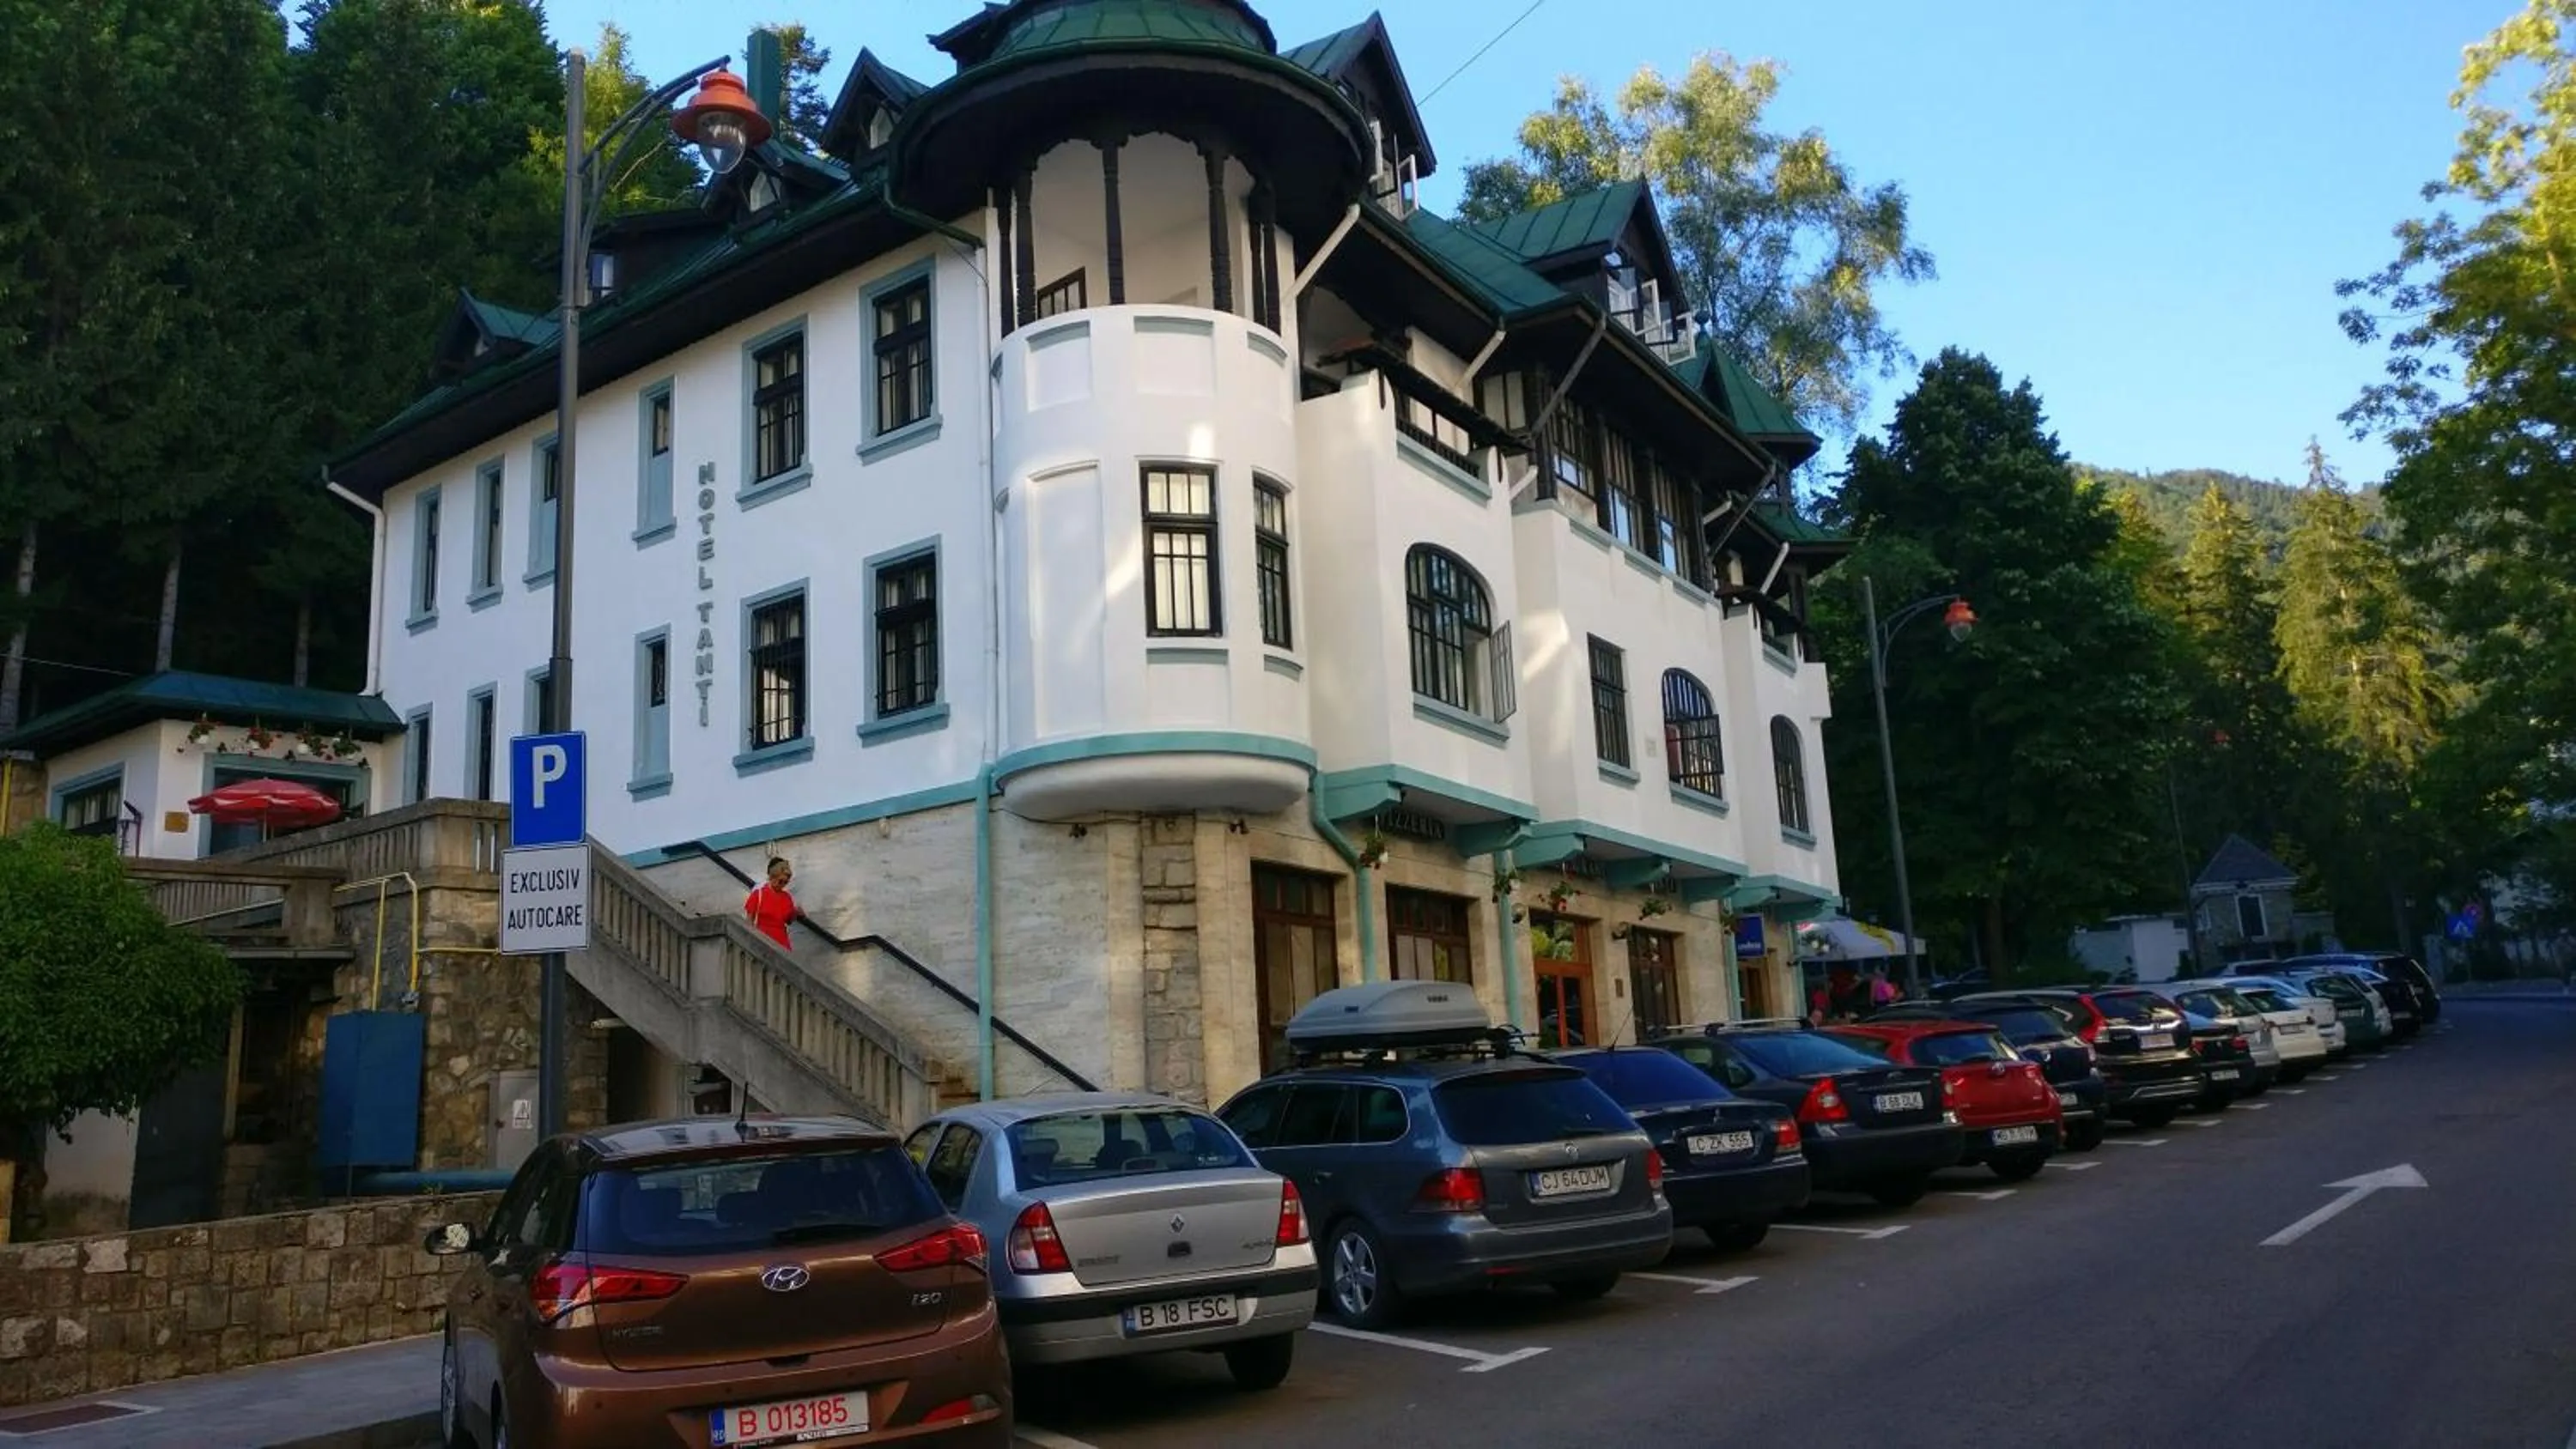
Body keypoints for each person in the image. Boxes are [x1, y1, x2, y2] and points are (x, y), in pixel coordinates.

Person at [745, 857, 797, 950]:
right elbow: (749, 920)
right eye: (781, 881)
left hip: (781, 939)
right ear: (773, 876)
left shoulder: (787, 897)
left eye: (786, 882)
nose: (782, 884)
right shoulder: (759, 893)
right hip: (763, 937)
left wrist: (795, 913)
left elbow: (788, 921)